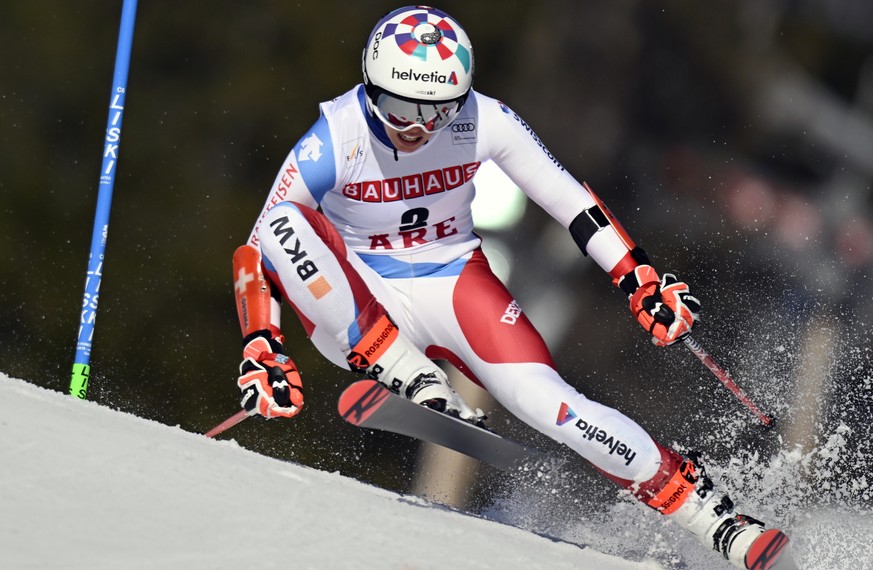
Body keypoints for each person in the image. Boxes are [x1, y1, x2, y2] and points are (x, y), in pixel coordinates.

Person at [230, 6, 792, 569]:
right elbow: (261, 247)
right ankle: (405, 370)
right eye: (401, 108)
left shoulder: (485, 119)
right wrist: (263, 341)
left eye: (439, 111)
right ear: (371, 87)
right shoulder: (336, 133)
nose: (419, 128)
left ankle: (718, 521)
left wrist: (637, 276)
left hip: (451, 280)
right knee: (284, 220)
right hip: (353, 298)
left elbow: (566, 197)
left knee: (553, 405)